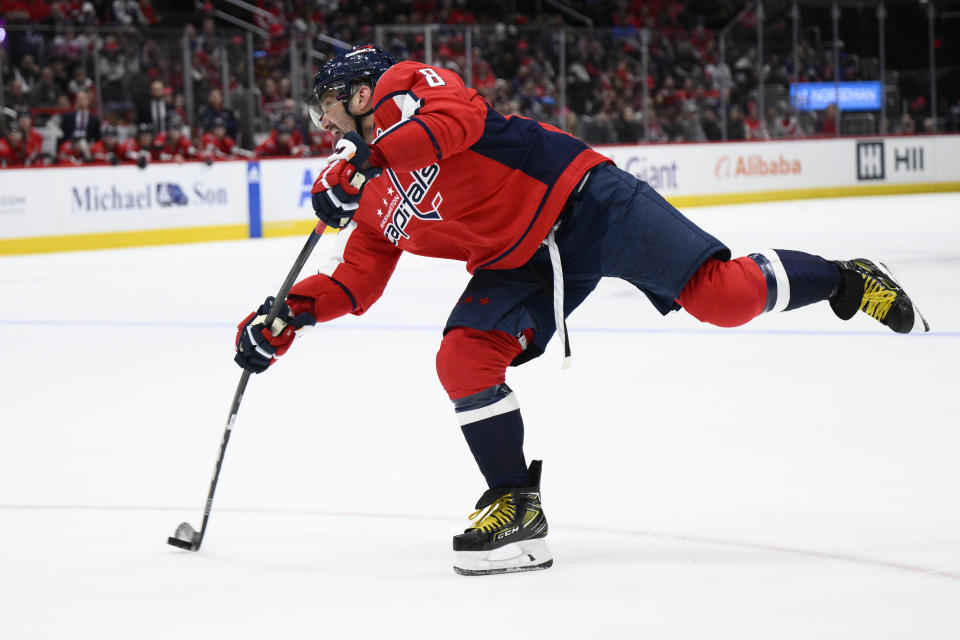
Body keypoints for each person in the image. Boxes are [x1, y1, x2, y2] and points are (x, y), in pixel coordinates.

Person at [232, 45, 930, 576]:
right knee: (462, 356)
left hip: (585, 200)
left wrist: (366, 160)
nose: (320, 122)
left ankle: (845, 281)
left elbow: (460, 121)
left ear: (359, 92)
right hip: (519, 262)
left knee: (723, 298)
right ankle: (515, 502)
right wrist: (286, 315)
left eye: (325, 106)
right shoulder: (373, 191)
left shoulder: (405, 88)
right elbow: (357, 282)